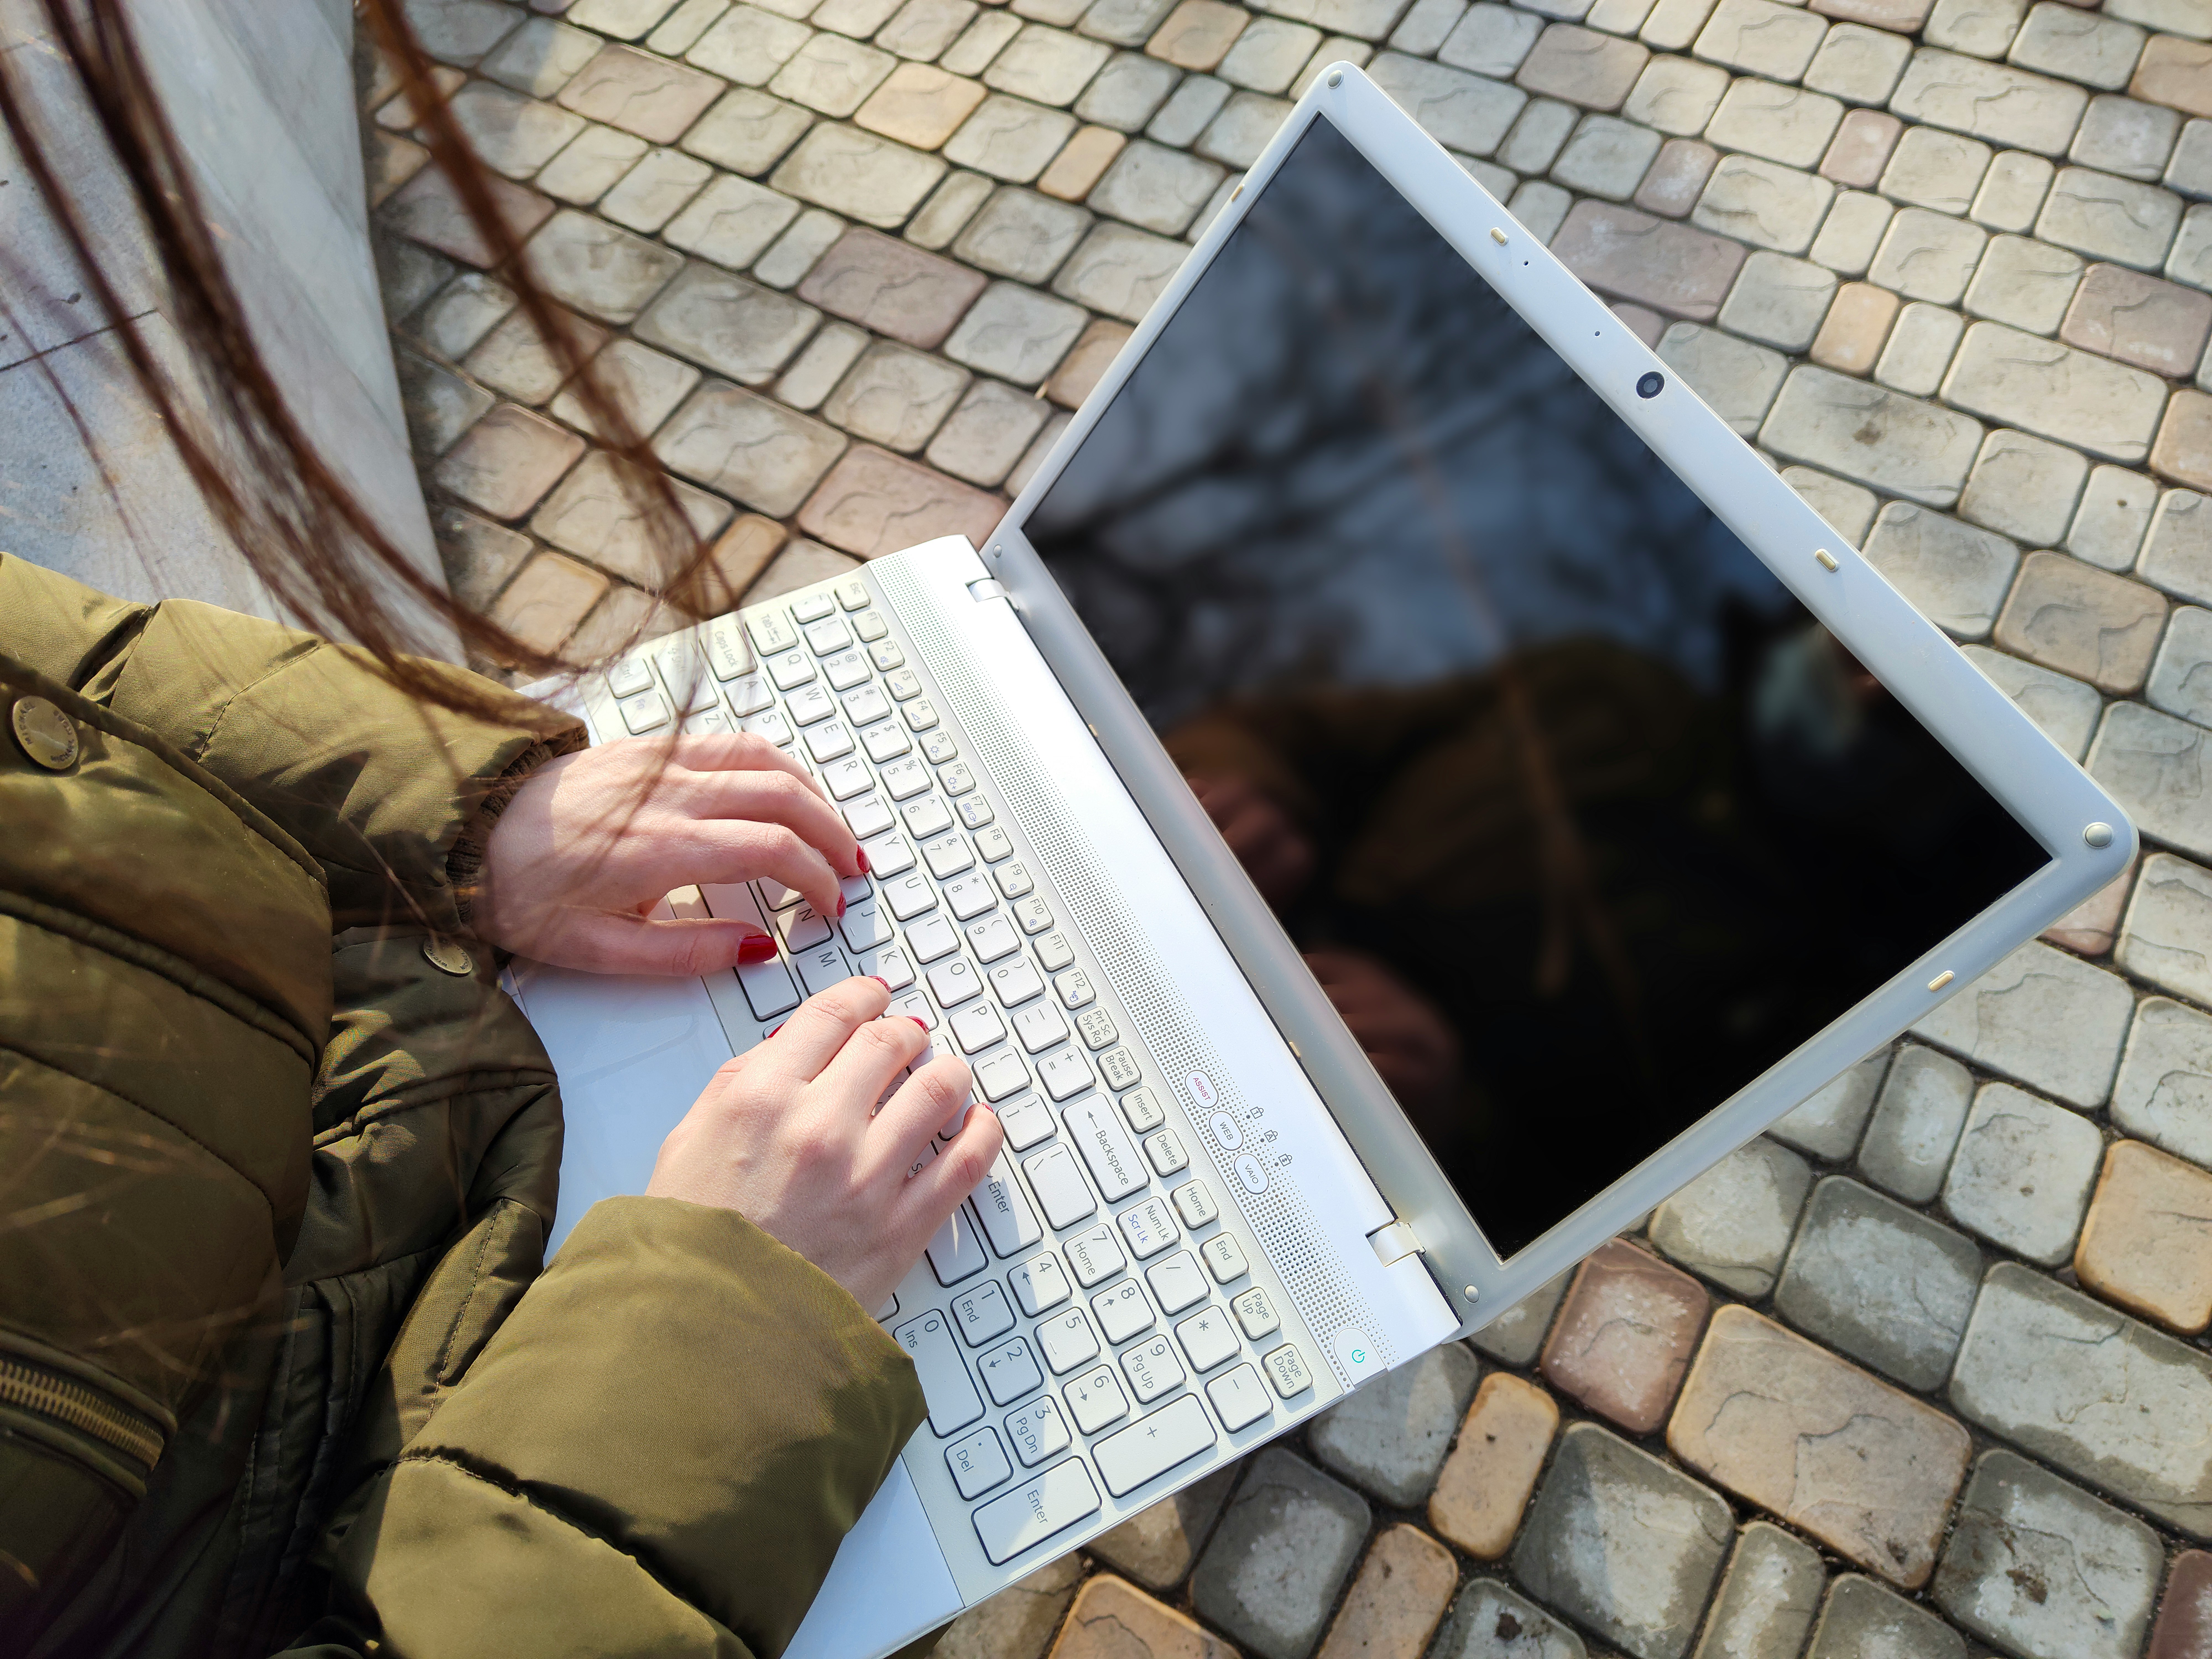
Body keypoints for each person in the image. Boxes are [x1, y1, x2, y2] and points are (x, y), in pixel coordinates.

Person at [0, 3, 1001, 1654]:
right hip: (513, 1443)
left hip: (457, 1085)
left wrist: (459, 813)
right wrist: (716, 1340)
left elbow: (66, 665)